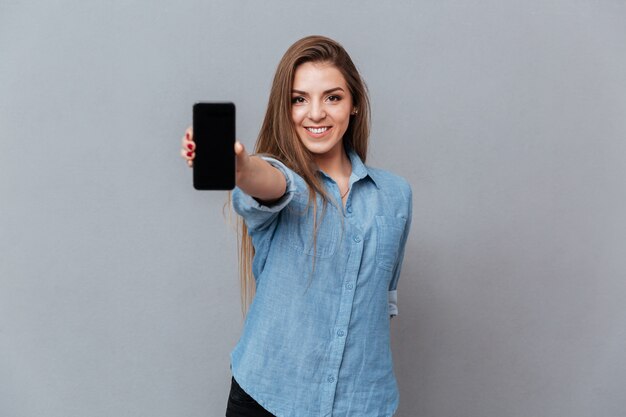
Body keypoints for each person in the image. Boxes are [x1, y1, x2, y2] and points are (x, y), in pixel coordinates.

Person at [180, 35, 412, 417]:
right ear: (285, 110)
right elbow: (270, 183)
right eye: (299, 99)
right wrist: (240, 167)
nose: (315, 113)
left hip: (363, 404)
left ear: (354, 105)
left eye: (332, 97)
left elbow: (382, 302)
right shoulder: (287, 182)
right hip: (267, 397)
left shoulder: (395, 195)